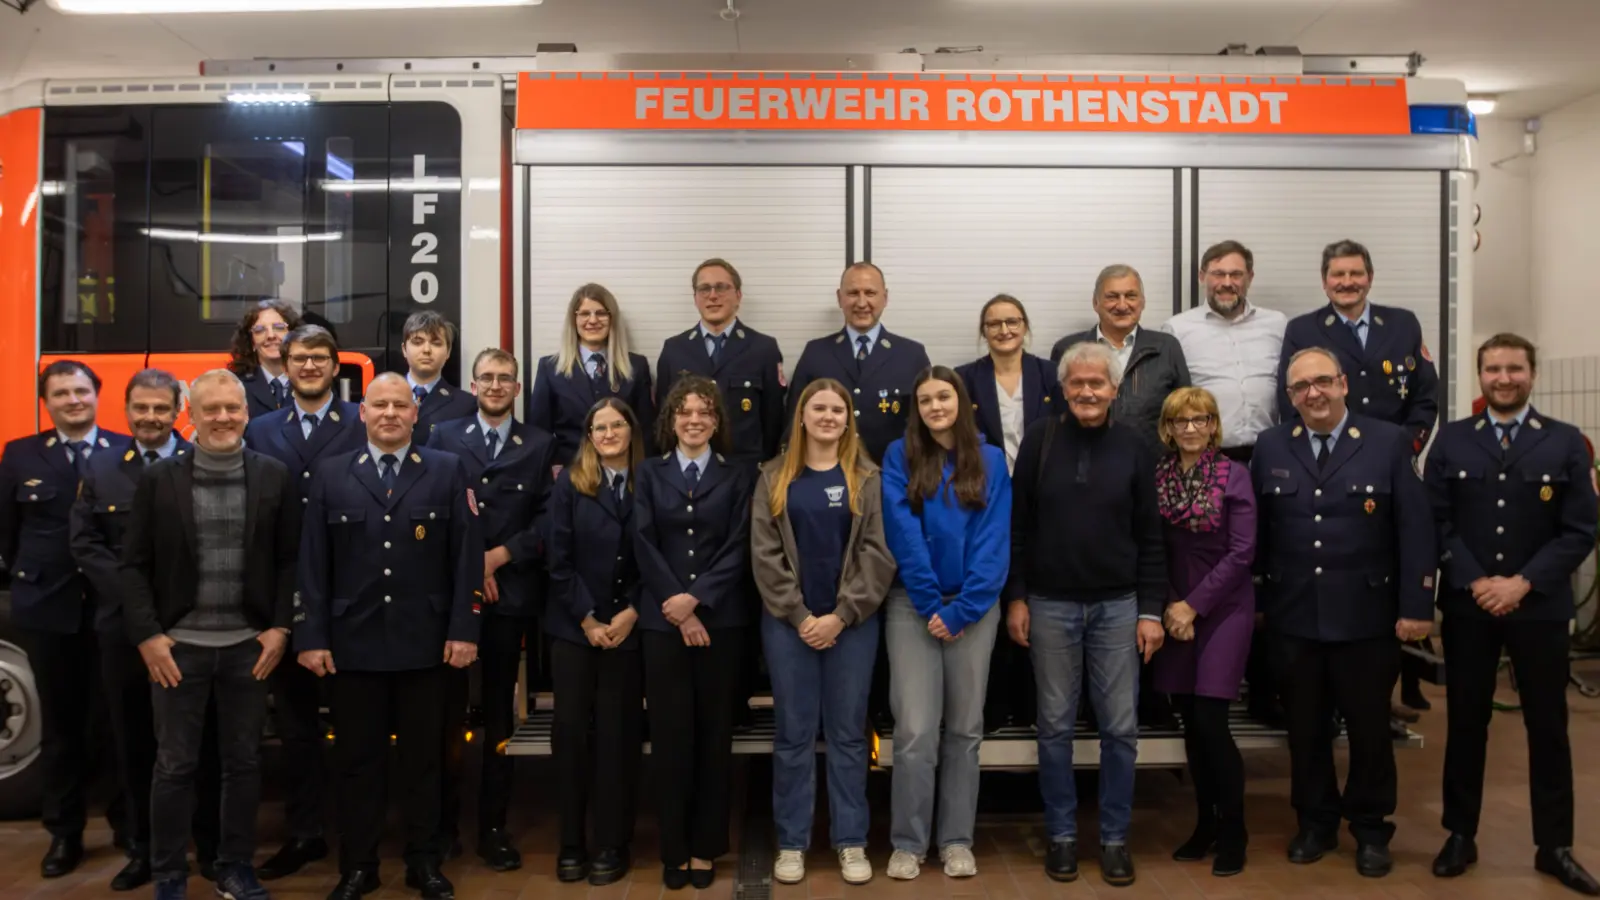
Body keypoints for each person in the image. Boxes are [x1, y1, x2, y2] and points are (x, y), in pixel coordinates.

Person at [294, 373, 483, 900]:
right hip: (353, 647)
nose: (390, 413)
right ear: (363, 412)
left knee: (426, 763)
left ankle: (424, 862)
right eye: (380, 405)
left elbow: (467, 559)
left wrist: (464, 629)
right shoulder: (331, 475)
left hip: (426, 646)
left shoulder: (446, 470)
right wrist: (311, 636)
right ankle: (359, 866)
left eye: (401, 405)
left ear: (416, 413)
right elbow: (312, 564)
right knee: (358, 764)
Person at [1424, 333, 1600, 895]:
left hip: (1539, 607)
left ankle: (1555, 846)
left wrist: (1523, 583)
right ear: (1479, 376)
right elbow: (1437, 521)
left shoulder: (1567, 443)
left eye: (1514, 369)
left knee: (1548, 728)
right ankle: (1460, 834)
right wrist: (1477, 580)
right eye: (1494, 369)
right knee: (1465, 725)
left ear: (1533, 373)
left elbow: (1580, 530)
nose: (1504, 378)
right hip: (1470, 605)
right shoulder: (1452, 442)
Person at [1251, 347, 1434, 878]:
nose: (1314, 393)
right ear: (1290, 397)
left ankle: (1372, 828)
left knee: (1369, 728)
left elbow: (1415, 529)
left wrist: (1417, 605)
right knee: (1305, 729)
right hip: (1293, 617)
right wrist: (1259, 605)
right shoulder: (1270, 445)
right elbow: (1259, 535)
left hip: (1367, 617)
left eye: (1323, 382)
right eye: (1301, 387)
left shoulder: (1387, 441)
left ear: (1344, 384)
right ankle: (1315, 823)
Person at [118, 369, 301, 900]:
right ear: (190, 416)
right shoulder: (159, 480)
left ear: (247, 412)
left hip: (249, 648)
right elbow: (133, 566)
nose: (223, 418)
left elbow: (290, 560)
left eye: (232, 408)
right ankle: (170, 874)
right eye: (211, 409)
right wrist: (150, 637)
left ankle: (235, 867)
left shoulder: (274, 476)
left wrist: (280, 628)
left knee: (243, 764)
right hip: (178, 650)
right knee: (175, 765)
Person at [1006, 342, 1166, 887]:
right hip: (1049, 605)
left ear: (1115, 390)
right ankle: (1062, 836)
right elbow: (1018, 529)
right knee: (1053, 727)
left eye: (1097, 383)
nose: (1087, 392)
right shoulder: (1038, 440)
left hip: (1120, 607)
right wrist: (1018, 597)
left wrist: (1150, 611)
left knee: (1120, 727)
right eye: (1077, 383)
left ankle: (1115, 839)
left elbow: (1151, 537)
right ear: (1062, 388)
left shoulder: (1136, 445)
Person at [1276, 239, 1441, 719]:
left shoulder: (1403, 323)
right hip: (1324, 465)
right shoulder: (1304, 328)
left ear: (1370, 276)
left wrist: (1398, 451)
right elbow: (1290, 401)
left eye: (1355, 273)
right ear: (1323, 280)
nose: (1347, 282)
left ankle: (1382, 690)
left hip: (1386, 468)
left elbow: (1425, 398)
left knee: (1389, 560)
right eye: (1337, 275)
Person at [70, 369, 220, 892]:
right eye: (141, 408)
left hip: (191, 628)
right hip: (125, 632)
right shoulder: (103, 465)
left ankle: (211, 846)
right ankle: (143, 850)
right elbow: (85, 542)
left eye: (161, 408)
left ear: (179, 410)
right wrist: (139, 606)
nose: (150, 418)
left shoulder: (202, 461)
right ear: (127, 410)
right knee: (132, 743)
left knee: (201, 746)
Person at [752, 378, 894, 887]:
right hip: (789, 628)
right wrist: (799, 616)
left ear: (848, 417)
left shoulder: (867, 477)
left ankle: (850, 841)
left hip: (850, 628)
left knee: (849, 736)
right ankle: (792, 843)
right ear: (802, 416)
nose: (829, 416)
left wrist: (842, 614)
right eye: (819, 408)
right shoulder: (774, 476)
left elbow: (879, 553)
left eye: (838, 409)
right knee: (792, 735)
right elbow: (764, 556)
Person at [425, 348, 556, 872]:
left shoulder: (540, 443)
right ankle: (442, 828)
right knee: (446, 717)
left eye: (505, 378)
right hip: (454, 601)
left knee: (499, 717)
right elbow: (434, 512)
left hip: (512, 598)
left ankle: (493, 828)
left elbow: (549, 520)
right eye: (487, 378)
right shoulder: (443, 437)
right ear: (472, 385)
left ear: (518, 388)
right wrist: (471, 567)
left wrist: (499, 557)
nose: (496, 385)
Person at [784, 261, 930, 731]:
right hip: (824, 499)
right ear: (840, 298)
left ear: (885, 297)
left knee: (882, 599)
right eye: (852, 293)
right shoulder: (815, 352)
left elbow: (922, 433)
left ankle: (878, 711)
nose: (862, 302)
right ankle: (835, 711)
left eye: (870, 293)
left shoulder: (911, 354)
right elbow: (791, 431)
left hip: (889, 496)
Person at [242, 324, 365, 881]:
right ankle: (305, 832)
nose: (309, 366)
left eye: (320, 357)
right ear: (284, 365)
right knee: (296, 727)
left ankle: (359, 834)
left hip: (354, 592)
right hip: (286, 592)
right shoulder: (260, 428)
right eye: (299, 358)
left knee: (357, 723)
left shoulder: (361, 421)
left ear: (336, 366)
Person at [0, 360, 131, 878]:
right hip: (49, 612)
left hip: (110, 609)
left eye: (81, 391)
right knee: (61, 728)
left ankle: (127, 826)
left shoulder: (122, 450)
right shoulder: (21, 455)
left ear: (98, 395)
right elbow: (6, 533)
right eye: (61, 393)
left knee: (117, 723)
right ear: (46, 401)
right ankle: (65, 834)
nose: (73, 400)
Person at [880, 367, 1010, 882]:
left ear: (963, 401)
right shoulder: (899, 456)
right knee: (913, 731)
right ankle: (908, 843)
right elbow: (901, 531)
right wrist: (932, 602)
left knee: (964, 730)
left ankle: (956, 839)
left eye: (944, 396)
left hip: (973, 610)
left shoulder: (992, 460)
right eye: (926, 399)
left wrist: (962, 609)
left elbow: (993, 538)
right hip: (912, 606)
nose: (936, 406)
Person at [633, 375, 756, 891]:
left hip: (720, 622)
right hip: (663, 624)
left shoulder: (739, 475)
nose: (694, 420)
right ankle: (675, 848)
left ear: (717, 420)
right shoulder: (648, 473)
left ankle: (706, 848)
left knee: (712, 737)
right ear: (670, 420)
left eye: (704, 411)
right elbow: (641, 539)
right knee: (670, 738)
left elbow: (740, 543)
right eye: (684, 412)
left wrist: (698, 599)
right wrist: (678, 609)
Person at [1161, 240, 1288, 726]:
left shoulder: (1279, 325)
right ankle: (1198, 683)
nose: (1227, 282)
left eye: (1236, 274)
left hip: (1269, 456)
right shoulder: (1179, 329)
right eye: (1218, 273)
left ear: (1250, 277)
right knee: (1205, 565)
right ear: (1202, 276)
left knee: (1265, 566)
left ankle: (1263, 689)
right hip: (1208, 455)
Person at [1149, 387, 1256, 878]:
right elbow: (1154, 547)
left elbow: (1242, 553)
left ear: (1214, 425)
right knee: (1192, 724)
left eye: (1200, 420)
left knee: (1214, 722)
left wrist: (1194, 606)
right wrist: (1174, 605)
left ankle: (1234, 831)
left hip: (1223, 608)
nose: (1190, 429)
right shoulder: (1159, 477)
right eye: (1180, 421)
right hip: (1175, 607)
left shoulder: (1236, 475)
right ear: (1167, 429)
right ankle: (1205, 825)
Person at [544, 398, 647, 887]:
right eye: (598, 427)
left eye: (617, 425)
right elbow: (557, 559)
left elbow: (660, 555)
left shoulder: (652, 479)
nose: (608, 434)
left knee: (618, 738)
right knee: (570, 736)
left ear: (631, 429)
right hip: (575, 631)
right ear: (588, 436)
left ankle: (612, 842)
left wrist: (632, 610)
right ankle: (570, 843)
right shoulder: (570, 484)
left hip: (629, 629)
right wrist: (587, 618)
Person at [955, 294, 1058, 733]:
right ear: (984, 331)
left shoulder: (1050, 374)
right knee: (994, 602)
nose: (1003, 330)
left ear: (1025, 326)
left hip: (1042, 501)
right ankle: (994, 711)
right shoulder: (965, 380)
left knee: (1036, 602)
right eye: (994, 323)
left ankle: (1035, 709)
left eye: (1012, 321)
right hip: (985, 503)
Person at [656, 258, 788, 466]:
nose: (713, 296)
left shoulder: (764, 349)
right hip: (689, 474)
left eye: (721, 288)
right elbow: (664, 420)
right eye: (704, 289)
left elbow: (774, 421)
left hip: (745, 473)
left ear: (738, 295)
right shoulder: (674, 350)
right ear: (695, 298)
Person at [1051, 264, 1191, 454]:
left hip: (1153, 467)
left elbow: (1185, 411)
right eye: (1112, 297)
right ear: (1095, 303)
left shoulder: (1167, 347)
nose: (1122, 305)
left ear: (1142, 302)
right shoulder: (1069, 349)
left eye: (1131, 296)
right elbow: (1056, 413)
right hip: (1083, 464)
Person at [530, 283, 656, 464]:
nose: (593, 320)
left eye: (601, 313)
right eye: (584, 313)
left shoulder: (636, 367)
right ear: (574, 320)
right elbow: (539, 433)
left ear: (612, 318)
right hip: (570, 476)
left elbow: (645, 432)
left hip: (624, 476)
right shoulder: (550, 369)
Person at [401, 310, 478, 446]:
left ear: (448, 352)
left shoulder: (466, 405)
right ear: (404, 349)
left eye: (436, 343)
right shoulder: (378, 397)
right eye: (417, 342)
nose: (426, 350)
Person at [227, 298, 304, 419]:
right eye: (259, 330)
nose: (271, 336)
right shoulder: (233, 384)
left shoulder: (312, 379)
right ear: (251, 342)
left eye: (278, 327)